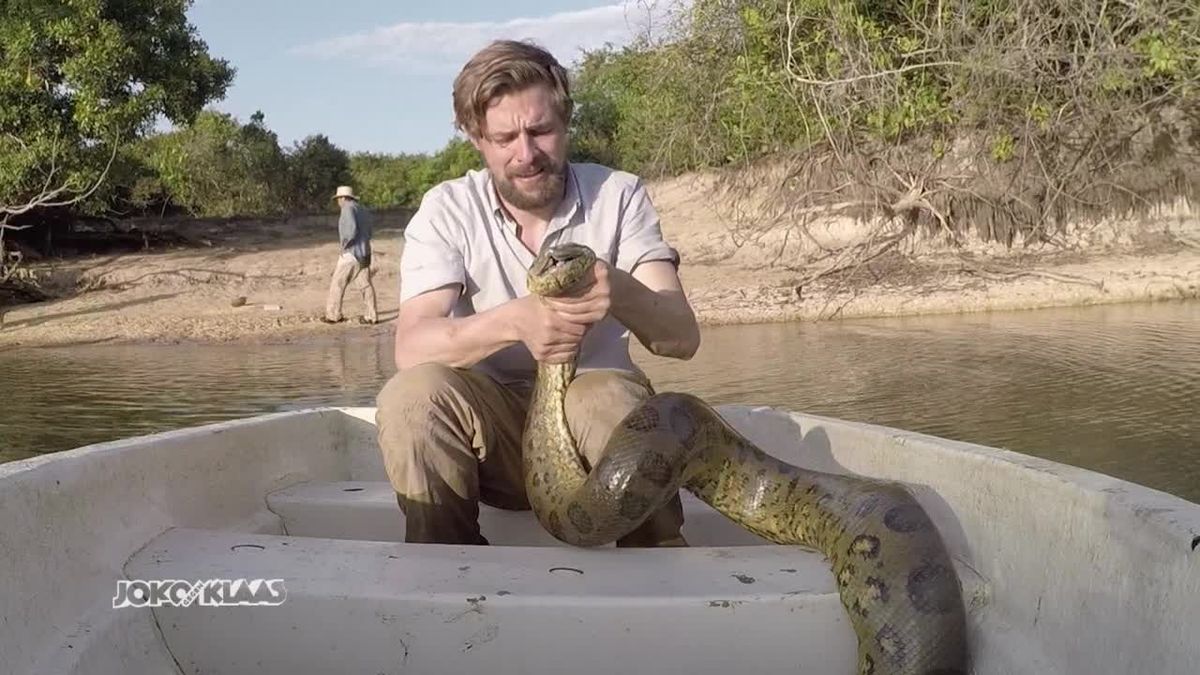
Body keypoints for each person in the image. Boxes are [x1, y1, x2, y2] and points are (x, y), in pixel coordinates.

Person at [374, 39, 701, 547]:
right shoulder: (446, 210)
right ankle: (446, 576)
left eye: (541, 130)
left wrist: (617, 288)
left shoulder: (619, 194)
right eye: (504, 138)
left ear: (566, 121)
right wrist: (515, 321)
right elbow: (411, 346)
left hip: (600, 435)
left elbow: (681, 337)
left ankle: (660, 562)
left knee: (605, 395)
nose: (526, 154)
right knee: (413, 396)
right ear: (474, 137)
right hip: (494, 444)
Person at [323, 185, 379, 325]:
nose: (338, 202)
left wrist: (344, 245)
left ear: (342, 198)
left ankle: (333, 315)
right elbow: (370, 231)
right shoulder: (363, 210)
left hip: (351, 253)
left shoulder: (347, 209)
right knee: (365, 285)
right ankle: (371, 316)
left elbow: (351, 230)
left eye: (338, 199)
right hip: (365, 252)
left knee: (337, 283)